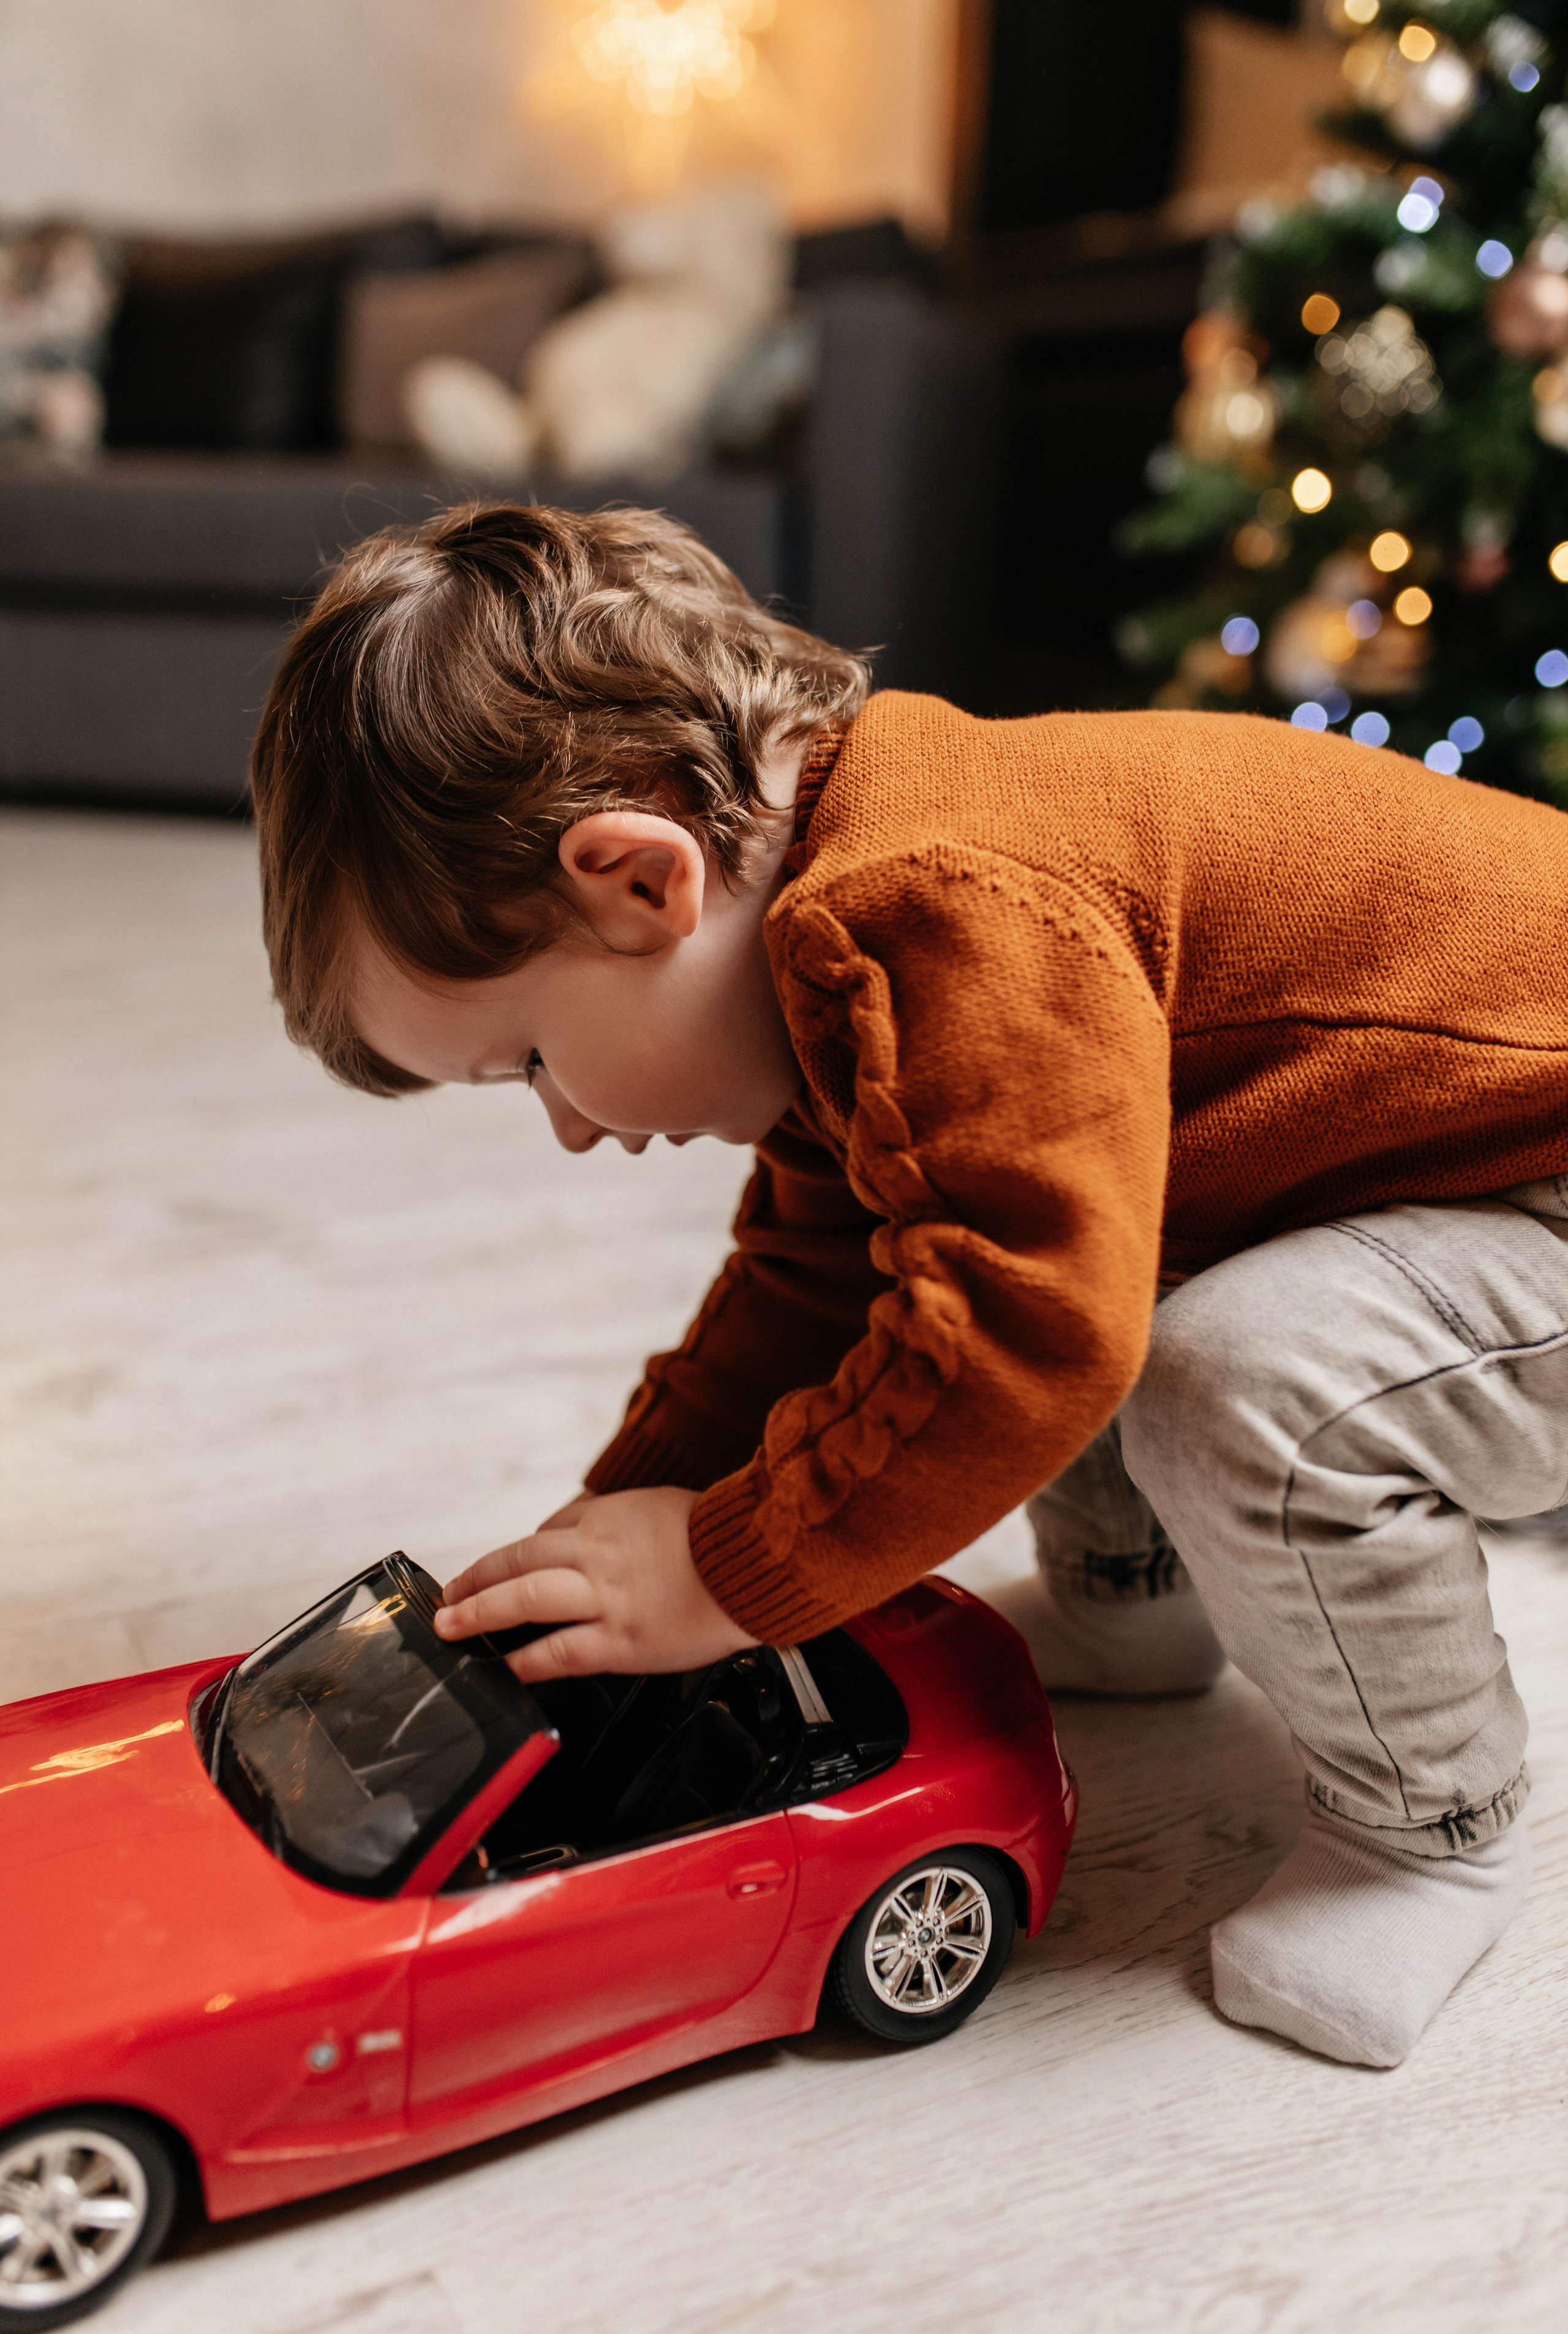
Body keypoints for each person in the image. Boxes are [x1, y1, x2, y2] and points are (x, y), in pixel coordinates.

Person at [251, 500, 1568, 2071]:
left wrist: (725, 1573)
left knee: (1227, 1366)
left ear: (637, 883)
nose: (572, 1126)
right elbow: (814, 1276)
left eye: (532, 1058)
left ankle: (1436, 1824)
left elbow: (1027, 1329)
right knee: (1003, 1240)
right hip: (1455, 1174)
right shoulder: (832, 940)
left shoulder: (937, 903)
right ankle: (1133, 1611)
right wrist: (611, 1551)